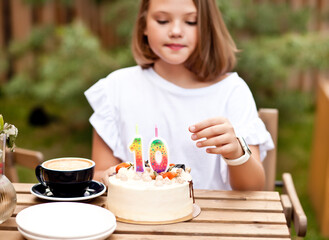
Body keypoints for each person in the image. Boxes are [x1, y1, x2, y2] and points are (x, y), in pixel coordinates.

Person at [84, 0, 274, 190]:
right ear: (144, 25)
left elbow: (253, 188)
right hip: (137, 217)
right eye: (162, 20)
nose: (176, 31)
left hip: (214, 219)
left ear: (207, 27)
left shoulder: (232, 91)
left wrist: (236, 152)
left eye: (191, 22)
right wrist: (107, 178)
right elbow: (101, 173)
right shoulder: (117, 87)